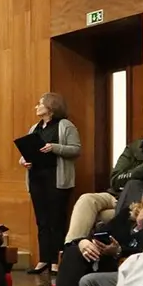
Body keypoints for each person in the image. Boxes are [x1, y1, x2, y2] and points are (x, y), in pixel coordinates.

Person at [66, 117, 143, 244]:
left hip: (140, 201)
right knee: (87, 199)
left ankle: (113, 243)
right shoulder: (134, 149)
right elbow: (115, 180)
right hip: (117, 195)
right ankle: (72, 246)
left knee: (106, 214)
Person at [22, 92, 84, 274]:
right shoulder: (35, 127)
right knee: (42, 221)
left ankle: (56, 261)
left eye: (39, 104)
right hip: (36, 177)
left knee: (57, 220)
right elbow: (27, 150)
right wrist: (23, 160)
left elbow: (76, 150)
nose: (36, 107)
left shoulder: (65, 126)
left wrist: (54, 147)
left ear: (50, 107)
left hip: (57, 179)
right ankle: (43, 260)